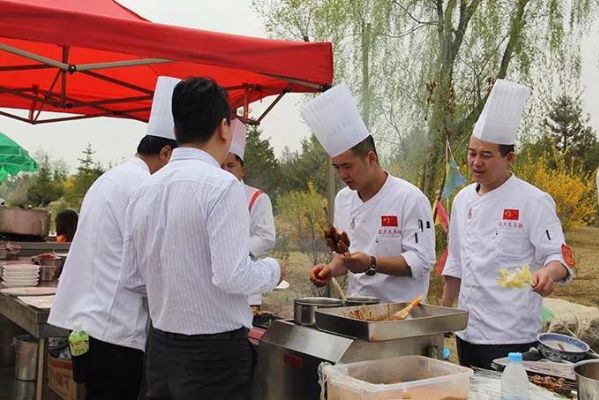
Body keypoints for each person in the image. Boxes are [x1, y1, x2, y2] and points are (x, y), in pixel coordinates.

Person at [121, 77, 285, 400]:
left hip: (161, 349)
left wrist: (176, 286)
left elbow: (132, 277)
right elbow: (232, 275)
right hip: (214, 356)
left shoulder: (144, 190)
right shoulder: (222, 187)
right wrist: (274, 270)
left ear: (176, 129)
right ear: (224, 128)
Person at [48, 76, 180, 400]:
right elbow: (147, 268)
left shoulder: (111, 179)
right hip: (115, 332)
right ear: (166, 153)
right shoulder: (143, 188)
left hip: (87, 327)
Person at [441, 79, 574, 369]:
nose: (476, 162)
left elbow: (559, 256)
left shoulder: (533, 201)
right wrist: (443, 314)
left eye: (486, 155)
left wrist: (548, 273)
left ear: (509, 157)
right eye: (472, 153)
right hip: (468, 331)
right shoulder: (462, 200)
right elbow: (455, 262)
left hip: (512, 336)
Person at [302, 84, 436, 303]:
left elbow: (422, 261)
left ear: (371, 158)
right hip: (357, 309)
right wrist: (330, 269)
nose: (342, 175)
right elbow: (343, 257)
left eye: (348, 166)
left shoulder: (410, 198)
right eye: (337, 168)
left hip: (402, 313)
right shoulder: (343, 199)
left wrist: (372, 263)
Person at [222, 119, 276, 308]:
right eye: (221, 166)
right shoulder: (211, 196)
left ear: (242, 170)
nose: (226, 171)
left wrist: (232, 250)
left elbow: (266, 237)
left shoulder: (256, 198)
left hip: (247, 291)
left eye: (231, 166)